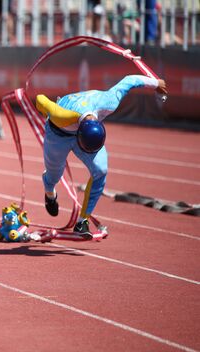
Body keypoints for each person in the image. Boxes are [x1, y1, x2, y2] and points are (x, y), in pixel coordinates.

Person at [35, 75, 167, 238]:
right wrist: (47, 110)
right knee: (54, 175)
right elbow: (40, 99)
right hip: (57, 135)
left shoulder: (108, 102)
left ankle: (82, 221)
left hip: (82, 129)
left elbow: (130, 80)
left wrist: (156, 84)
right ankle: (49, 193)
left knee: (100, 170)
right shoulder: (61, 116)